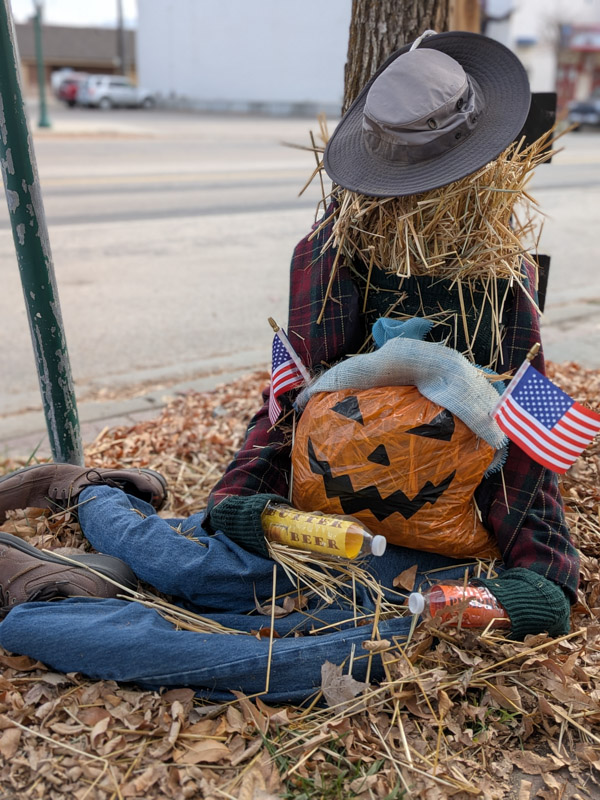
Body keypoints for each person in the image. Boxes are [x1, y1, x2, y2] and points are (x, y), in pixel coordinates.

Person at [0, 31, 579, 703]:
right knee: (196, 568)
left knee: (330, 651)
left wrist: (517, 586)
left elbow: (524, 434)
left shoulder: (500, 280)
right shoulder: (330, 257)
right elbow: (289, 403)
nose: (422, 205)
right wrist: (246, 507)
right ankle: (90, 497)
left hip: (427, 553)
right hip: (318, 520)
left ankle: (62, 600)